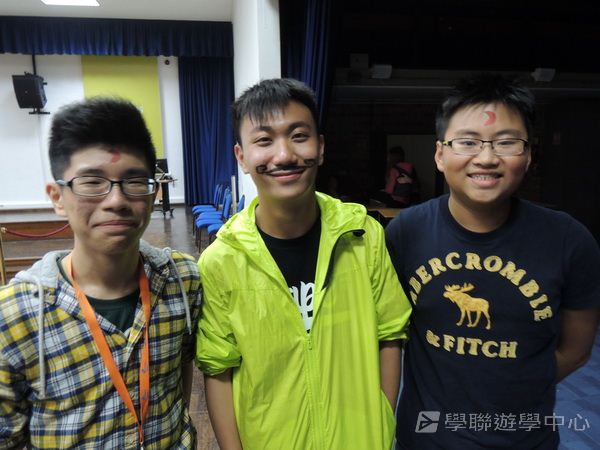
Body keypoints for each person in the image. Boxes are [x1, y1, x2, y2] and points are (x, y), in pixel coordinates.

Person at [385, 73, 600, 449]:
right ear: (440, 154)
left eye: (506, 142)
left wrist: (516, 385)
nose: (486, 158)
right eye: (467, 142)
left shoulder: (569, 240)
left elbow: (577, 350)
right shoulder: (405, 233)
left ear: (528, 155)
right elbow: (386, 334)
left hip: (525, 439)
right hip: (426, 436)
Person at [196, 78, 412, 449]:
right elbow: (218, 368)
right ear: (242, 157)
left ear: (321, 147)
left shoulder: (362, 236)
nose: (284, 155)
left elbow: (389, 335)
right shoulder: (222, 261)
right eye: (264, 140)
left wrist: (381, 422)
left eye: (299, 136)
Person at [0, 98, 201, 449]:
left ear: (154, 193)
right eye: (92, 182)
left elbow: (181, 375)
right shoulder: (15, 316)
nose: (116, 201)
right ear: (57, 197)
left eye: (134, 181)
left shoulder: (182, 281)